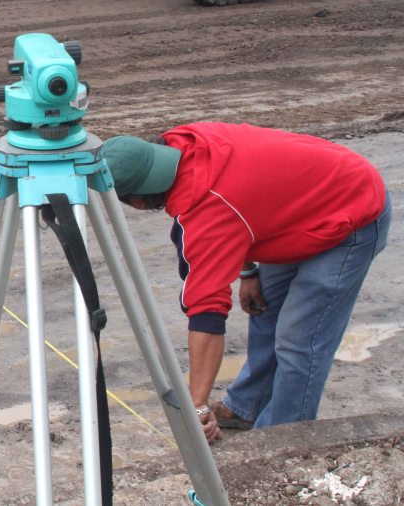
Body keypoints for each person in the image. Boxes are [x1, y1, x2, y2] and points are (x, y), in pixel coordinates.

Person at [100, 122, 391, 443]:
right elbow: (247, 205)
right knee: (264, 313)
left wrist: (196, 407)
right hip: (305, 201)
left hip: (353, 212)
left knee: (299, 340)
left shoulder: (208, 214)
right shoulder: (187, 142)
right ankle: (246, 406)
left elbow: (207, 315)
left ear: (138, 202)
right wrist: (249, 272)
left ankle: (284, 439)